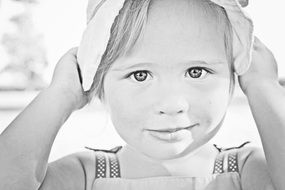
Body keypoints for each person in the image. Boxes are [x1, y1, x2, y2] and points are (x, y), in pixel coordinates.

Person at [0, 0, 284, 189]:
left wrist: (264, 87)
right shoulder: (89, 174)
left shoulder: (243, 171)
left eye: (196, 71)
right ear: (95, 81)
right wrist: (60, 94)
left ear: (237, 73)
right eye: (140, 75)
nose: (172, 105)